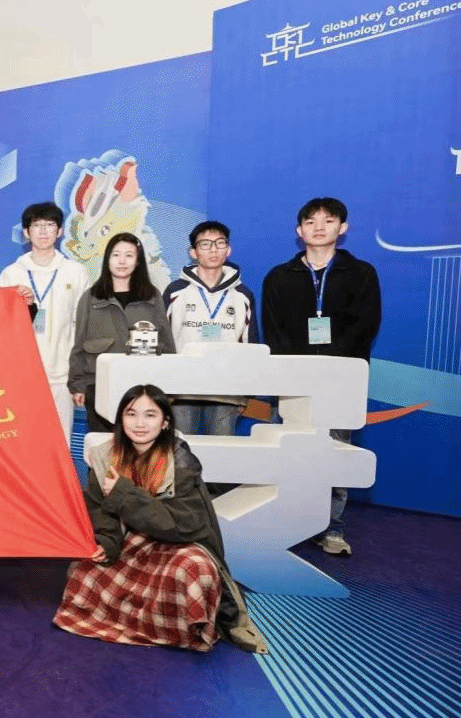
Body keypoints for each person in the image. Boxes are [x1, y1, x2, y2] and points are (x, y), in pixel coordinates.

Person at [53, 384, 266, 653]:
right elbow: (100, 512)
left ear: (165, 422)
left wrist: (124, 494)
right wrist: (106, 543)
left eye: (150, 415)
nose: (140, 423)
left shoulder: (180, 461)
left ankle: (166, 627)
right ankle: (137, 621)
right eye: (131, 414)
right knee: (84, 570)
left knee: (196, 570)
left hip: (175, 544)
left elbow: (180, 525)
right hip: (130, 541)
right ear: (120, 419)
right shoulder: (105, 456)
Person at [261, 197, 381, 556]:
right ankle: (285, 522)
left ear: (342, 228)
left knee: (335, 454)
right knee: (289, 452)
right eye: (310, 221)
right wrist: (298, 372)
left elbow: (365, 325)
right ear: (299, 231)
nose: (318, 227)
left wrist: (328, 367)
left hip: (340, 382)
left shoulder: (361, 274)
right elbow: (274, 331)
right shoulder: (280, 276)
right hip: (293, 384)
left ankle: (331, 527)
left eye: (328, 220)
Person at [0, 202, 90, 444]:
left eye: (49, 225)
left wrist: (80, 377)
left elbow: (84, 328)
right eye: (37, 225)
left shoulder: (76, 272)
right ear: (26, 232)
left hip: (62, 374)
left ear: (60, 231)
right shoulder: (11, 274)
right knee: (23, 442)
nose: (44, 231)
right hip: (20, 374)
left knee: (60, 442)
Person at [69, 232, 175, 432]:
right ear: (107, 260)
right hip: (99, 385)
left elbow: (167, 344)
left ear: (138, 261)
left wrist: (169, 385)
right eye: (116, 255)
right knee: (103, 444)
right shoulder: (91, 298)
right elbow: (79, 344)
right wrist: (77, 385)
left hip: (144, 385)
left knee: (140, 443)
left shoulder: (152, 297)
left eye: (129, 255)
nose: (122, 261)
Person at [162, 221, 258, 436]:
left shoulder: (242, 295)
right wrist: (163, 386)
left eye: (219, 243)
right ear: (193, 252)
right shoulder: (175, 292)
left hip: (226, 390)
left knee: (223, 451)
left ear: (228, 250)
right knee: (181, 450)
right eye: (205, 244)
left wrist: (245, 393)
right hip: (181, 390)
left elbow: (250, 343)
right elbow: (163, 340)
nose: (213, 249)